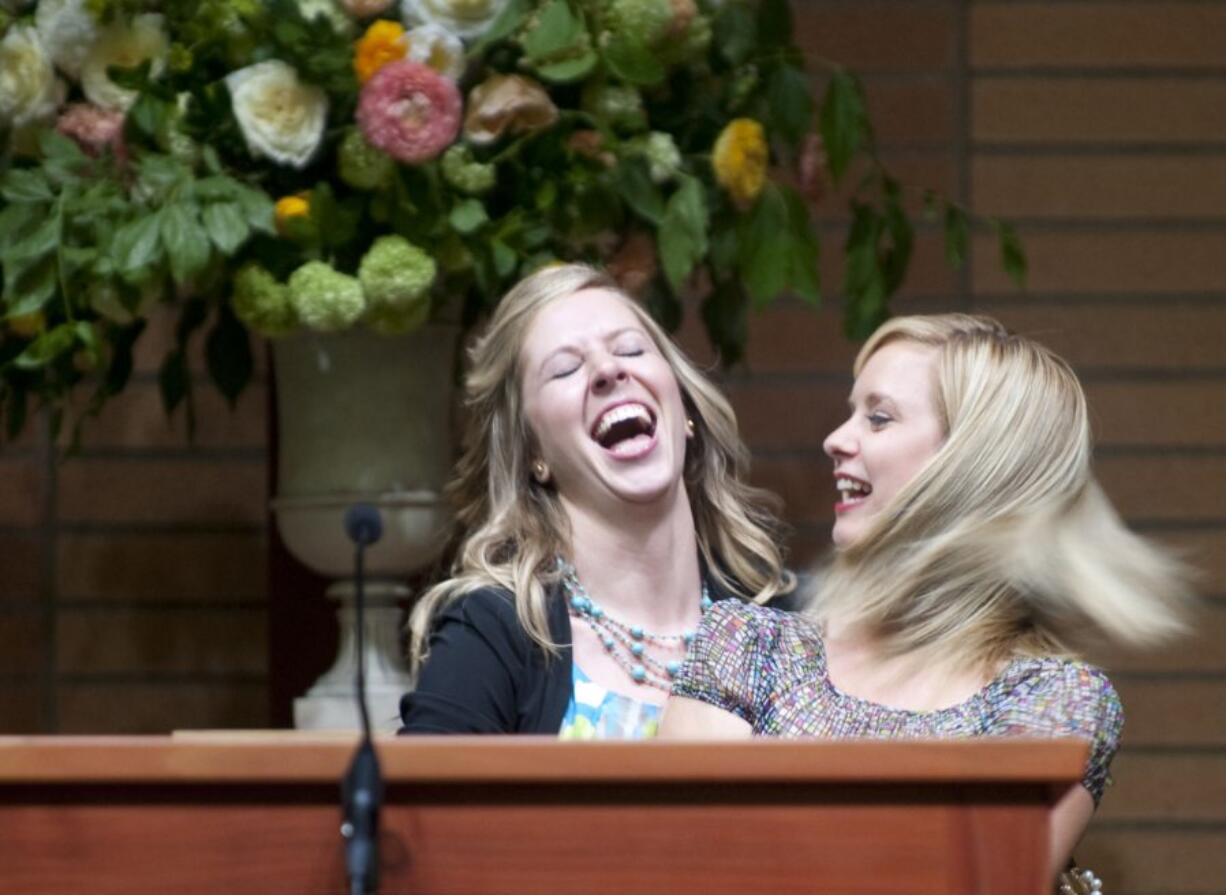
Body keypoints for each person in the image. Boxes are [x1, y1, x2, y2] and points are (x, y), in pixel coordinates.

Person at [660, 313, 1191, 879]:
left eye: (879, 418)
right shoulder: (747, 646)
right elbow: (672, 866)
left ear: (971, 465)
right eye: (852, 413)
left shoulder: (1053, 701)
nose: (836, 440)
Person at [400, 263, 794, 737]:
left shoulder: (778, 623)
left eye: (630, 349)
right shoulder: (492, 632)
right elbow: (419, 810)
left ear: (684, 410)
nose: (609, 370)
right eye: (565, 369)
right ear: (533, 453)